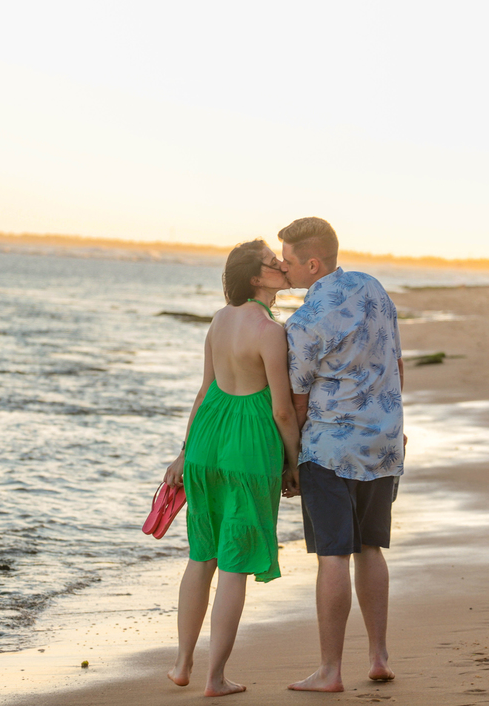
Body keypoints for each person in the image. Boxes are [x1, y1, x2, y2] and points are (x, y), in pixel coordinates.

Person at [162, 239, 302, 697]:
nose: (282, 265)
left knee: (202, 557)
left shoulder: (219, 321)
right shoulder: (270, 332)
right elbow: (282, 410)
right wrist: (294, 463)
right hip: (248, 449)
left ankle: (182, 664)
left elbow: (204, 392)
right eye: (272, 262)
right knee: (235, 565)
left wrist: (184, 452)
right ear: (256, 278)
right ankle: (215, 678)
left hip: (206, 444)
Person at [277, 217, 405, 693]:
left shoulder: (305, 321)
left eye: (287, 261)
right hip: (383, 441)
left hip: (330, 449)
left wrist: (291, 461)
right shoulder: (372, 287)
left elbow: (297, 401)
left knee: (333, 556)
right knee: (370, 547)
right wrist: (394, 425)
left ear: (312, 264)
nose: (282, 268)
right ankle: (378, 656)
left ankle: (330, 671)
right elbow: (395, 363)